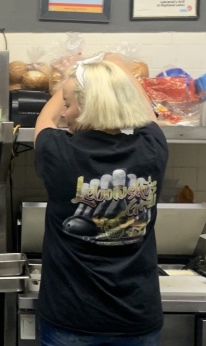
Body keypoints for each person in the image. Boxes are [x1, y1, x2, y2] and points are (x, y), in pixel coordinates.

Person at [33, 52, 168, 346]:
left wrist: (73, 74)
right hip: (137, 318)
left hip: (71, 318)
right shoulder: (153, 146)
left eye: (69, 104)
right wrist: (114, 62)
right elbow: (145, 109)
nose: (65, 112)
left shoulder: (57, 152)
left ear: (89, 105)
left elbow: (45, 118)